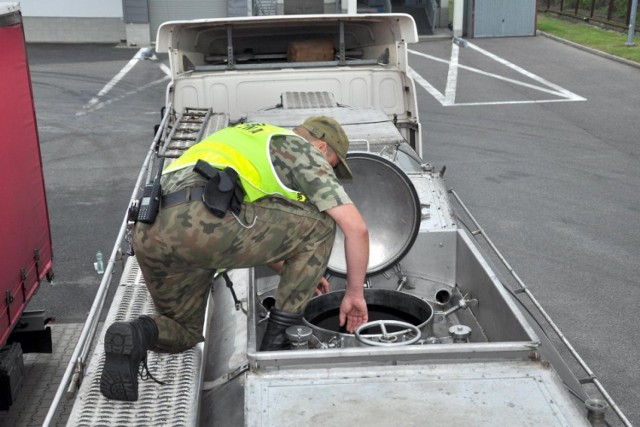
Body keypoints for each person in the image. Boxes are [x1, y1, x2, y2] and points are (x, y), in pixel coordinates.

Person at [100, 116, 370, 401]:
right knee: (321, 224)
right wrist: (354, 293)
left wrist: (299, 272)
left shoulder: (247, 136)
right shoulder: (301, 150)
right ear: (321, 146)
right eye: (333, 165)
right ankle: (276, 350)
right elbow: (356, 228)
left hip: (149, 227)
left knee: (185, 331)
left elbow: (257, 234)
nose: (329, 172)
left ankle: (136, 333)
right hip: (202, 219)